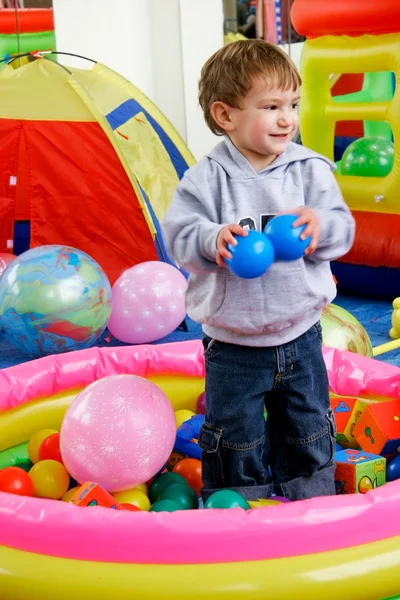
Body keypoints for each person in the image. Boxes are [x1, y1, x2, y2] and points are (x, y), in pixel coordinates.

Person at [161, 40, 355, 502]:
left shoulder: (310, 170)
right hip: (233, 344)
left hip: (301, 332)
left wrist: (320, 225)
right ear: (225, 115)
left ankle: (311, 502)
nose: (287, 118)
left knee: (308, 425)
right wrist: (212, 239)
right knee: (236, 434)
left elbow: (344, 230)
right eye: (270, 107)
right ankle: (240, 508)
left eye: (292, 104)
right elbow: (177, 236)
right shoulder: (205, 178)